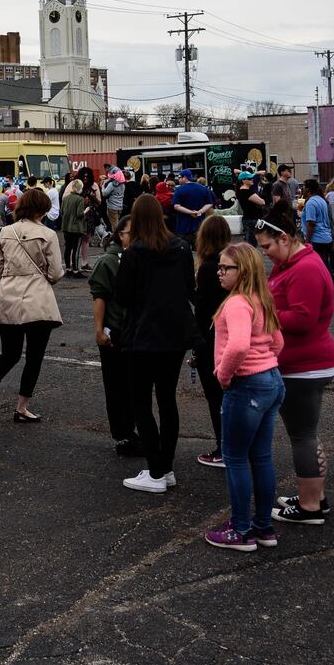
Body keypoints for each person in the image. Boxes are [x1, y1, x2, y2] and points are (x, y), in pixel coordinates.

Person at [256, 204, 334, 526]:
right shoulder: (291, 264)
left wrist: (260, 316)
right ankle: (314, 496)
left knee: (303, 436)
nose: (265, 254)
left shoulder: (304, 268)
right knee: (306, 434)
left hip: (304, 365)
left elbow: (302, 319)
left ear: (285, 238)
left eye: (267, 246)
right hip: (302, 363)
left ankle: (309, 507)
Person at [203, 243, 287, 552]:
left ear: (244, 270)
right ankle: (263, 527)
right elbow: (277, 341)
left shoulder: (236, 303)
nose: (219, 272)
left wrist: (224, 375)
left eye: (226, 268)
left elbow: (237, 346)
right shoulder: (260, 299)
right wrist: (265, 364)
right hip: (271, 381)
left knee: (236, 458)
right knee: (261, 456)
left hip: (247, 385)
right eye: (220, 267)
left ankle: (240, 530)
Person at [113, 196, 196, 494]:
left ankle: (155, 470)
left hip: (143, 334)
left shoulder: (134, 252)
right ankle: (167, 466)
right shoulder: (182, 247)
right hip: (174, 334)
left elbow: (121, 296)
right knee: (167, 400)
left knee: (141, 403)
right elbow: (190, 288)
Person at [0, 187, 63, 424]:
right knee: (34, 357)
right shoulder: (47, 234)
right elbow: (56, 273)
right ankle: (21, 408)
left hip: (8, 298)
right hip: (38, 302)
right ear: (41, 210)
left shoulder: (6, 232)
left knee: (10, 352)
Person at [89, 216, 140, 457]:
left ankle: (131, 430)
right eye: (131, 232)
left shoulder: (137, 258)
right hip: (115, 331)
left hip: (135, 331)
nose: (136, 236)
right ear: (120, 234)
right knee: (116, 385)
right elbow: (100, 297)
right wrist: (99, 330)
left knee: (133, 384)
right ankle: (122, 435)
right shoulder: (109, 261)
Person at [190, 215, 233, 469]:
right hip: (232, 332)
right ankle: (234, 445)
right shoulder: (234, 263)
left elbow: (202, 305)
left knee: (216, 397)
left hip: (211, 336)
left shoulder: (208, 268)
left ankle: (224, 448)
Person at [299, 180, 334, 305]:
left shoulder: (311, 203)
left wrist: (307, 241)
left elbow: (311, 223)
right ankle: (327, 292)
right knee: (324, 266)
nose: (302, 190)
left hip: (316, 239)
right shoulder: (321, 200)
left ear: (308, 189)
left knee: (321, 267)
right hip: (326, 238)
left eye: (303, 187)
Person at [171, 168, 215, 244]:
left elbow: (176, 206)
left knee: (184, 250)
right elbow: (210, 203)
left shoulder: (179, 190)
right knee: (200, 250)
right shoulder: (203, 188)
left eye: (179, 178)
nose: (179, 180)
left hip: (183, 227)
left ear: (185, 177)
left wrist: (190, 212)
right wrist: (199, 212)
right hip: (199, 225)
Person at [59, 179, 87, 277]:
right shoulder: (80, 199)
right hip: (76, 228)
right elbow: (79, 214)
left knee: (68, 248)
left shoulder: (65, 198)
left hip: (66, 227)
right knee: (76, 249)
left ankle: (68, 269)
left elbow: (62, 212)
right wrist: (86, 211)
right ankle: (75, 270)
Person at [235, 172, 268, 246]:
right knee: (251, 244)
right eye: (249, 178)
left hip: (249, 219)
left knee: (250, 243)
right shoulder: (246, 192)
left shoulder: (244, 191)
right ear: (243, 180)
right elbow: (262, 202)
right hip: (251, 220)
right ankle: (250, 257)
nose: (252, 180)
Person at [101, 163, 125, 229]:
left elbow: (104, 193)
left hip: (112, 207)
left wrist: (103, 185)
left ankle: (117, 238)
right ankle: (116, 237)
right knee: (116, 223)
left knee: (115, 226)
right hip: (120, 207)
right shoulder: (123, 185)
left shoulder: (111, 185)